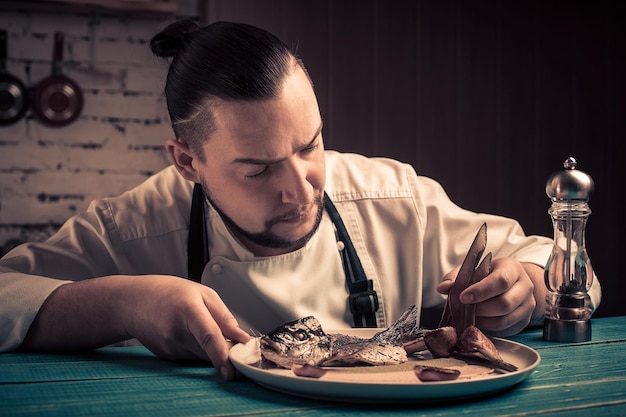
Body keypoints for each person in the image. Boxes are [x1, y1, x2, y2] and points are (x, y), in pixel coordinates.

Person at [0, 20, 601, 381]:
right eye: (257, 169)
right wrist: (126, 305)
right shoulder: (133, 226)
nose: (299, 189)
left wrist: (528, 283)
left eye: (310, 146)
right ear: (188, 161)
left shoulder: (391, 197)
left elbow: (566, 268)